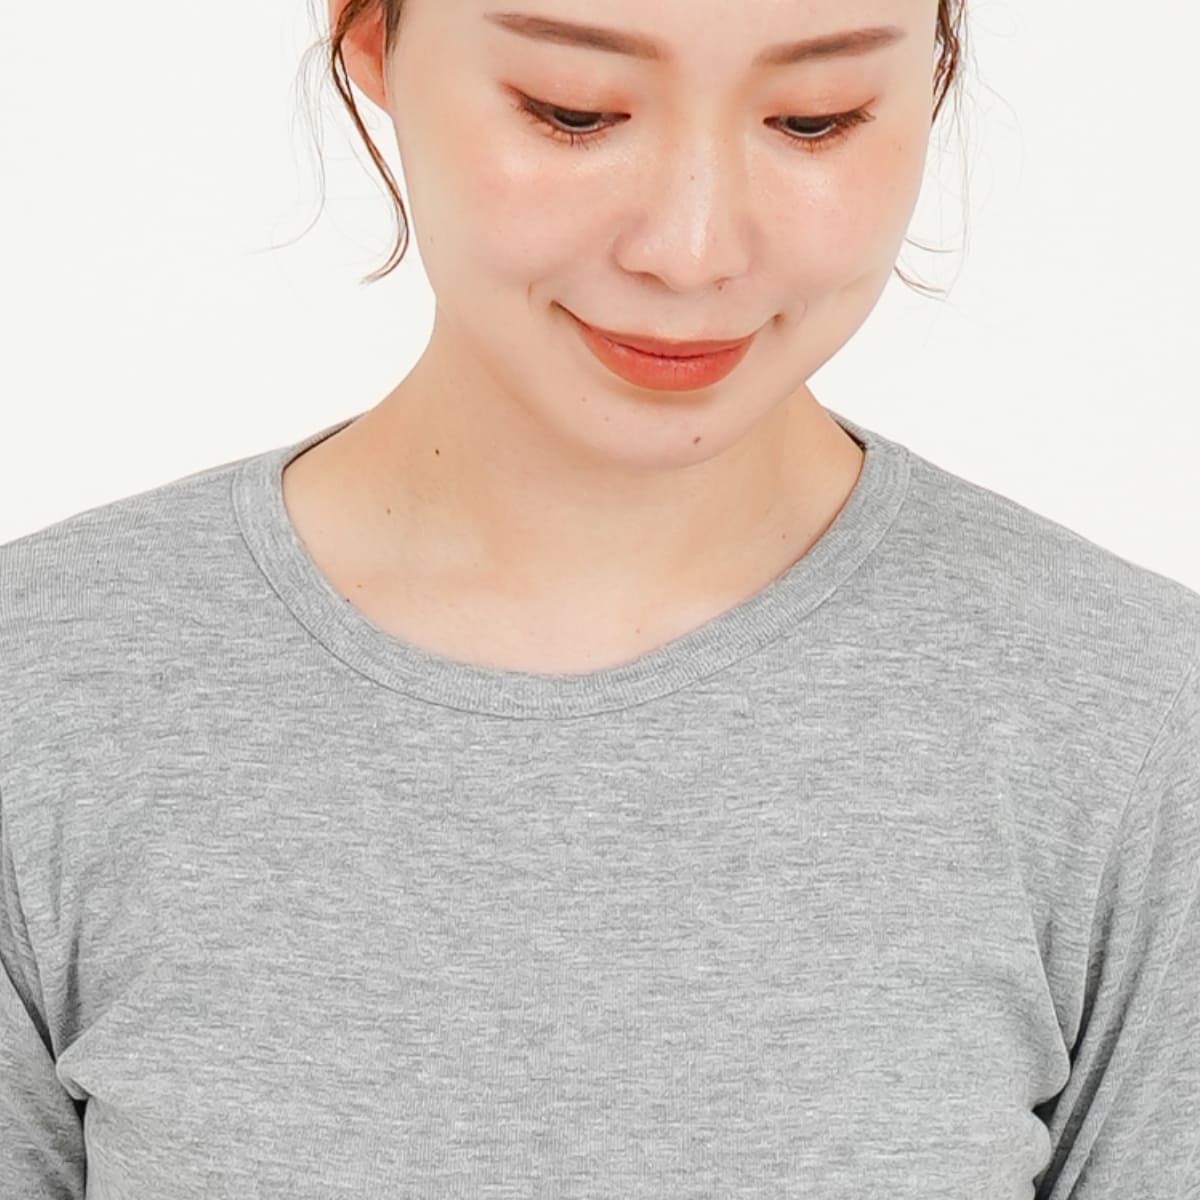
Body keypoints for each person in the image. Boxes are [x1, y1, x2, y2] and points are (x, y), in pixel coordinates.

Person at [1, 1, 1197, 1197]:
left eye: (814, 120)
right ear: (367, 34)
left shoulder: (1134, 727)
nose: (693, 249)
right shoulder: (42, 696)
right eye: (574, 112)